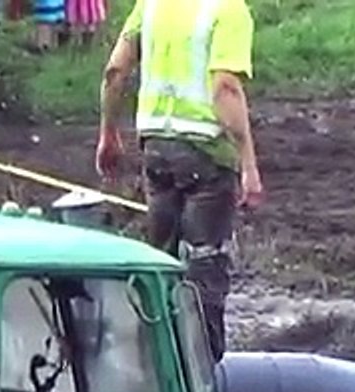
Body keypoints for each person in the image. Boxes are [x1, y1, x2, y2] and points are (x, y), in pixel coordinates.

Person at [95, 0, 263, 364]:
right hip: (207, 154)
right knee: (206, 271)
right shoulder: (228, 10)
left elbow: (115, 70)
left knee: (159, 266)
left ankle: (151, 372)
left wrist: (108, 132)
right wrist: (248, 163)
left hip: (156, 150)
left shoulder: (151, 6)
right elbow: (225, 88)